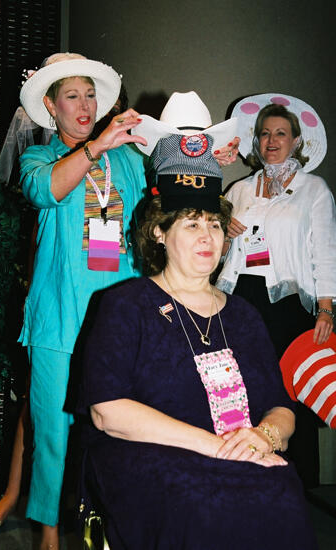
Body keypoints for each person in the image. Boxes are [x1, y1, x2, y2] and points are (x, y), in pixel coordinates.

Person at [76, 164, 318, 549]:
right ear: (159, 232)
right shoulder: (125, 305)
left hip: (241, 453)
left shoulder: (244, 315)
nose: (208, 237)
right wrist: (221, 447)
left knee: (283, 490)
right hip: (148, 456)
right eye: (191, 225)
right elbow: (107, 411)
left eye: (215, 225)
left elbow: (280, 406)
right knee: (200, 507)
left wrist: (263, 436)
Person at [0, 51, 148, 550]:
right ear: (50, 108)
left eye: (90, 94)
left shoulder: (128, 157)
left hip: (120, 316)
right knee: (52, 431)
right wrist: (96, 147)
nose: (84, 104)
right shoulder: (40, 158)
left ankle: (116, 525)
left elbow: (157, 210)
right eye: (71, 96)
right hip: (58, 317)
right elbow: (46, 192)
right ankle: (50, 534)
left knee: (121, 428)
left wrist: (200, 158)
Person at [216, 93, 336, 488]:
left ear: (296, 141)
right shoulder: (238, 191)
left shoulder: (313, 189)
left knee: (291, 392)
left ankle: (298, 487)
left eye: (281, 133)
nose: (272, 140)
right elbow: (214, 252)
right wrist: (224, 229)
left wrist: (326, 308)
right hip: (240, 299)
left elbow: (325, 249)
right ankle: (250, 480)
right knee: (246, 388)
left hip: (288, 305)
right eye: (265, 133)